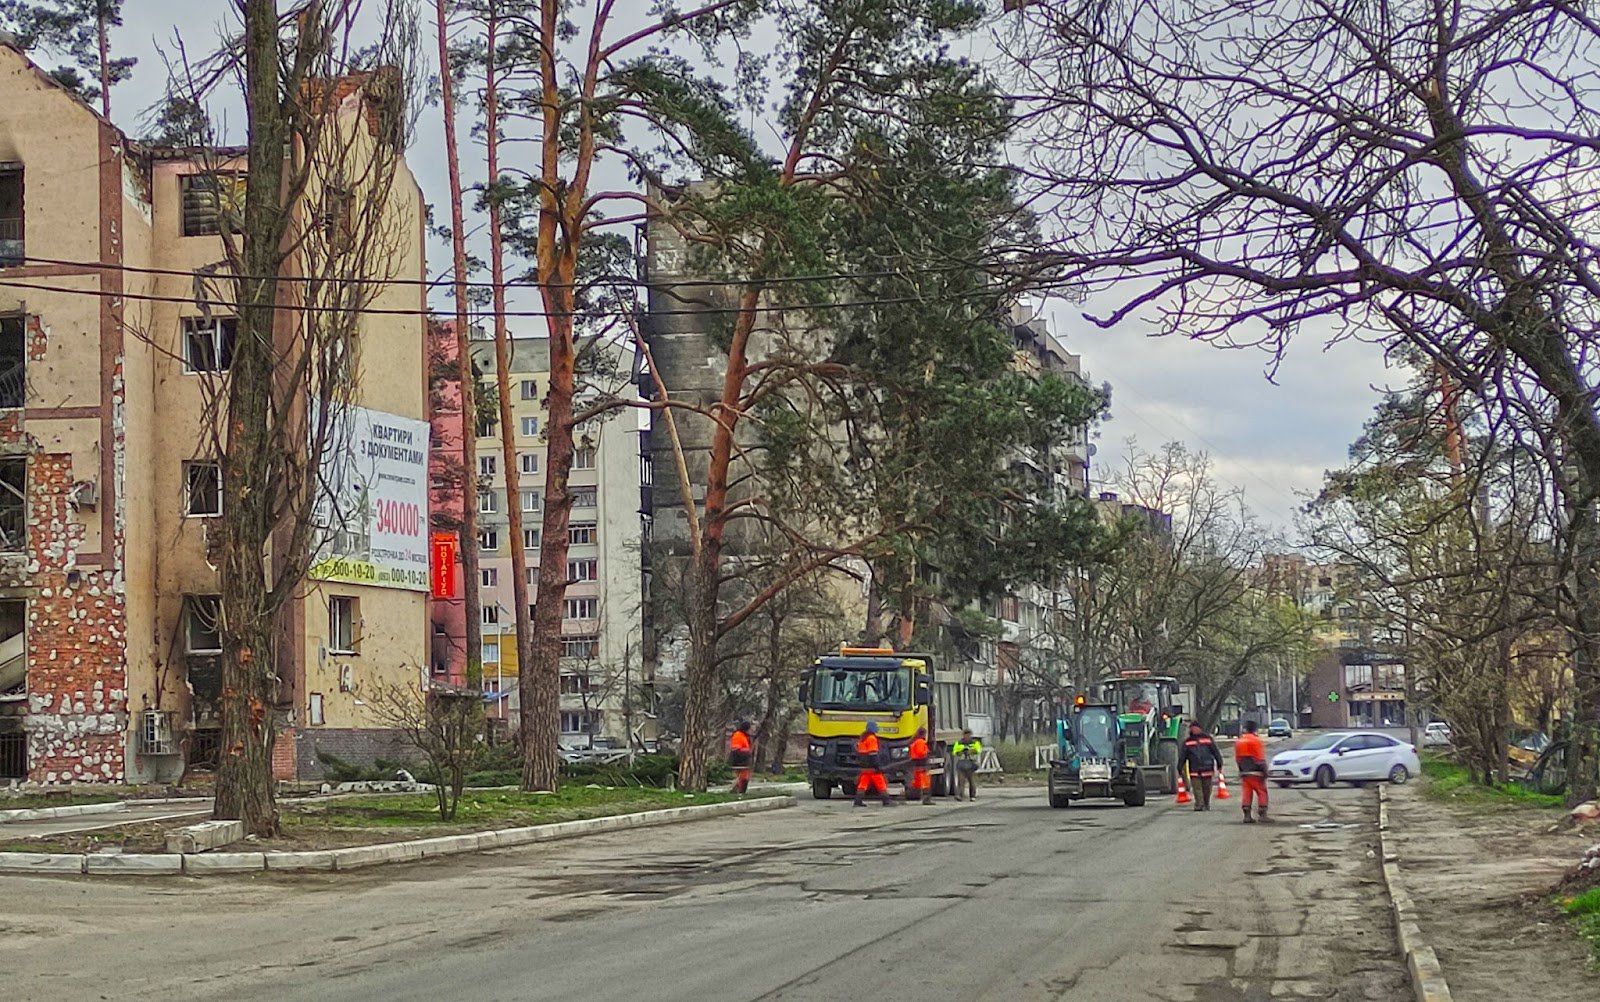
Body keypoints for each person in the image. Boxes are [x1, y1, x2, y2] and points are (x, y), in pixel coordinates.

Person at [1178, 721, 1225, 811]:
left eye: (1195, 728)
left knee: (1207, 788)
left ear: (1199, 729)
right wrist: (1180, 767)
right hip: (1194, 768)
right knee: (1197, 788)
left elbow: (1215, 752)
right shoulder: (1188, 742)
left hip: (1207, 767)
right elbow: (1183, 756)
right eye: (1192, 728)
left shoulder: (1208, 739)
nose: (1193, 730)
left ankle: (1206, 803)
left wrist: (1219, 763)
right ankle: (1199, 804)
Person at [1235, 720, 1271, 823]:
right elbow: (1259, 758)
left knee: (1247, 793)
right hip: (1256, 772)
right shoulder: (1256, 741)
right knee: (1262, 792)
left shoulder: (1239, 741)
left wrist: (1241, 770)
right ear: (1255, 729)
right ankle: (1263, 815)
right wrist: (1265, 771)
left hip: (1245, 772)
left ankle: (1247, 816)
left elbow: (1237, 759)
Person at [854, 721, 894, 807]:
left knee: (863, 784)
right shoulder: (872, 738)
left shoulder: (862, 739)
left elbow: (859, 753)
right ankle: (886, 801)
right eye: (876, 727)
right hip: (872, 767)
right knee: (881, 783)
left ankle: (858, 801)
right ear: (872, 728)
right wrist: (877, 766)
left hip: (864, 767)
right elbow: (873, 754)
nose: (877, 728)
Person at [953, 728, 982, 801]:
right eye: (966, 734)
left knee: (971, 781)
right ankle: (960, 795)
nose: (967, 736)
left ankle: (972, 796)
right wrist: (960, 751)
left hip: (971, 764)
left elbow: (978, 750)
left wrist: (971, 751)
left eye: (968, 734)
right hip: (961, 764)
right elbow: (954, 751)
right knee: (961, 781)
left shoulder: (975, 742)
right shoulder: (959, 743)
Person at [904, 726, 932, 805]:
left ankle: (911, 794)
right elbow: (920, 752)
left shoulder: (914, 741)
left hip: (916, 764)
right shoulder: (920, 742)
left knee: (915, 783)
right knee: (925, 783)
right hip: (921, 765)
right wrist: (926, 752)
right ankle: (926, 799)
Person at [727, 720, 753, 795]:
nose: (751, 731)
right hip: (739, 760)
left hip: (744, 760)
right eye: (750, 729)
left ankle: (739, 792)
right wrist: (747, 753)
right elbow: (736, 750)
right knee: (743, 778)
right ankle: (739, 792)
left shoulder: (744, 736)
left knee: (744, 777)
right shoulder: (738, 735)